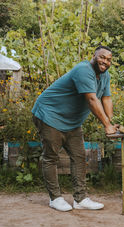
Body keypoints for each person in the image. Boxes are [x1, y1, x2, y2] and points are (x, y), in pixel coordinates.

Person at [32, 45, 118, 211]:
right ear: (94, 56)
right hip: (49, 114)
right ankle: (55, 198)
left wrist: (111, 122)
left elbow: (106, 98)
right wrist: (106, 125)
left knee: (79, 157)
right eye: (102, 57)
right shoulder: (83, 70)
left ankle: (81, 199)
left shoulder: (105, 75)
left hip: (72, 122)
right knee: (51, 157)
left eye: (108, 59)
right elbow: (92, 100)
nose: (105, 61)